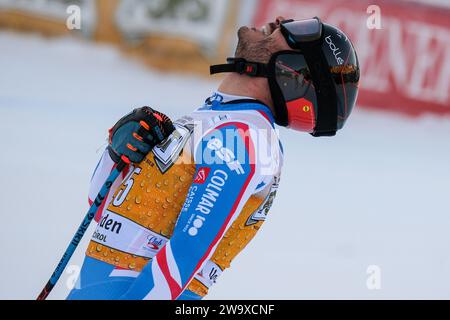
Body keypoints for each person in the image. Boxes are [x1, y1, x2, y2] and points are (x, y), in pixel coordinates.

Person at [68, 16, 360, 300]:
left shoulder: (244, 136)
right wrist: (116, 154)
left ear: (293, 72)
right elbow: (104, 213)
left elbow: (187, 252)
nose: (281, 20)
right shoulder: (219, 120)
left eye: (299, 30)